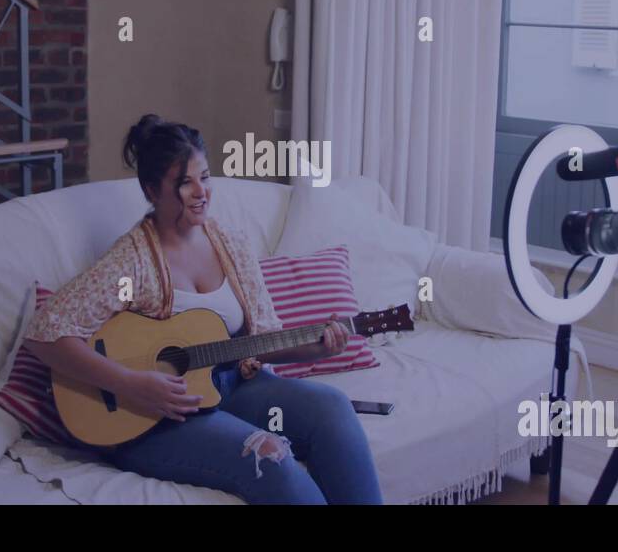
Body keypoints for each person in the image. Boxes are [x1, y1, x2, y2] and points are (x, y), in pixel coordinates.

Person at [24, 114, 384, 504]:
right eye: (184, 182)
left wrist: (316, 347)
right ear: (151, 190)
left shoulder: (231, 244)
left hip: (234, 386)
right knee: (269, 458)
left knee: (332, 408)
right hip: (155, 417)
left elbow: (260, 340)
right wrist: (131, 384)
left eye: (206, 177)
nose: (201, 192)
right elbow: (44, 333)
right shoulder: (131, 260)